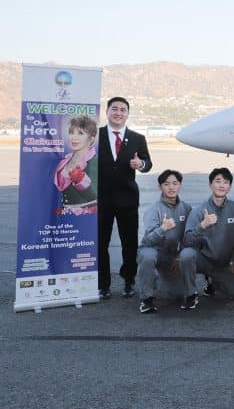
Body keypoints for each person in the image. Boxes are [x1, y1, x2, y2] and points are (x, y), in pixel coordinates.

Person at [98, 97, 153, 299]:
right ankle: (102, 284)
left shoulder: (137, 138)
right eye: (115, 109)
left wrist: (141, 165)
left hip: (127, 199)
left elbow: (148, 163)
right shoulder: (96, 136)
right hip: (101, 199)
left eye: (123, 110)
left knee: (129, 243)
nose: (118, 113)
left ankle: (129, 280)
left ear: (128, 114)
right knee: (100, 243)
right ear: (107, 112)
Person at [180, 168, 234, 309]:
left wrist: (232, 261)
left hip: (222, 263)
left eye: (226, 182)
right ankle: (191, 294)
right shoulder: (199, 211)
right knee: (187, 254)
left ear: (230, 187)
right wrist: (202, 226)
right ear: (210, 185)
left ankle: (212, 281)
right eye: (218, 181)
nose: (222, 185)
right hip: (203, 260)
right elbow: (187, 241)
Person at [137, 169, 191, 313]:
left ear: (180, 185)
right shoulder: (153, 210)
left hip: (171, 257)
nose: (171, 187)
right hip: (153, 251)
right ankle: (146, 299)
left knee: (178, 295)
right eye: (166, 184)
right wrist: (163, 228)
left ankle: (156, 279)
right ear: (159, 187)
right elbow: (148, 240)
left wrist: (179, 257)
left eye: (175, 183)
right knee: (148, 256)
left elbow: (188, 237)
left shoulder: (186, 208)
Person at [54, 114, 98, 208]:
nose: (74, 137)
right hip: (64, 215)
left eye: (80, 133)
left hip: (84, 215)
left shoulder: (95, 161)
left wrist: (80, 179)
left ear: (90, 139)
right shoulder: (64, 161)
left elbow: (94, 196)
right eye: (71, 132)